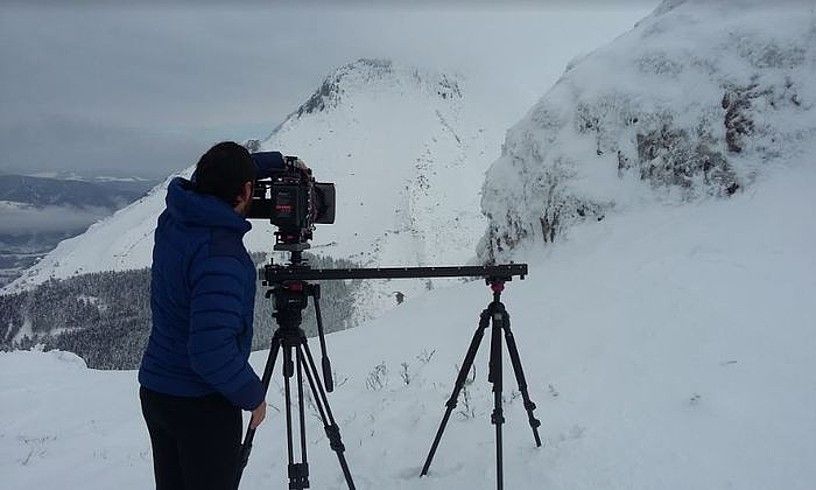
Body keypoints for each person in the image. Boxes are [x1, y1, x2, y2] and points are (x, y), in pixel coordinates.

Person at [138, 141, 285, 490]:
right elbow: (209, 351)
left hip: (158, 391)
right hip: (201, 406)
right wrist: (253, 396)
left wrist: (277, 163)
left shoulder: (175, 218)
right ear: (246, 190)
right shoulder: (222, 256)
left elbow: (210, 178)